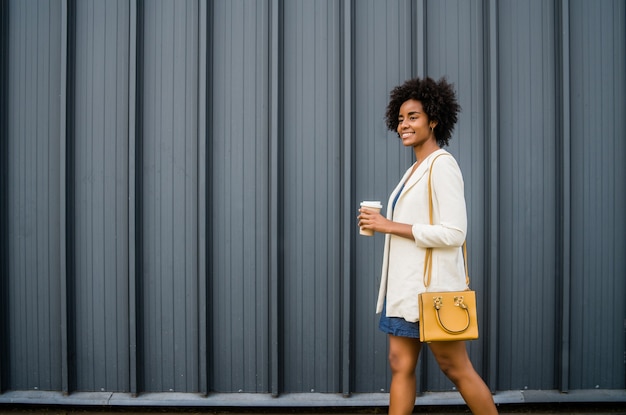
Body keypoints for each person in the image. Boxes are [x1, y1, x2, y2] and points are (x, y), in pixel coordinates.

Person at [357, 77, 497, 415]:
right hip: (404, 291)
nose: (404, 125)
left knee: (455, 368)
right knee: (398, 364)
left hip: (431, 292)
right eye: (401, 118)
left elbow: (454, 233)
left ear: (433, 119)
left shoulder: (442, 165)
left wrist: (388, 224)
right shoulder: (415, 168)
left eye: (413, 117)